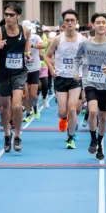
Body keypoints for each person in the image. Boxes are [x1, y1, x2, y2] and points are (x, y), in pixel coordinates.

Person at [74, 12, 106, 160]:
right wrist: (76, 71)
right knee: (92, 111)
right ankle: (92, 138)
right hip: (89, 82)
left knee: (103, 117)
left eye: (104, 22)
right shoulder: (85, 43)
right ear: (93, 25)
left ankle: (99, 141)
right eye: (98, 22)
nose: (101, 25)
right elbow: (77, 58)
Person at [0, 3, 32, 153]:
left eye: (11, 15)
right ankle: (7, 134)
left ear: (18, 16)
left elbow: (26, 46)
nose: (8, 17)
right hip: (3, 74)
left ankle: (17, 135)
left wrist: (28, 54)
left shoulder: (25, 31)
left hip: (19, 73)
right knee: (4, 106)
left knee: (17, 106)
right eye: (6, 14)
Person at [45, 9, 83, 148]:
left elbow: (88, 57)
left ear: (77, 22)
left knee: (72, 109)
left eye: (72, 20)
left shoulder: (82, 40)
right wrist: (51, 69)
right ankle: (63, 118)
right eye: (67, 20)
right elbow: (47, 56)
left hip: (75, 79)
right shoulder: (57, 39)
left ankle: (71, 138)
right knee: (62, 111)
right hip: (60, 78)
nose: (69, 23)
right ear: (63, 23)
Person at [23, 20, 45, 123]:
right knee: (25, 93)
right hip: (22, 69)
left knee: (32, 94)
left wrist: (31, 46)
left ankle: (35, 107)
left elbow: (43, 45)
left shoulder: (35, 37)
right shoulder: (19, 38)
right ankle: (28, 112)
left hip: (34, 68)